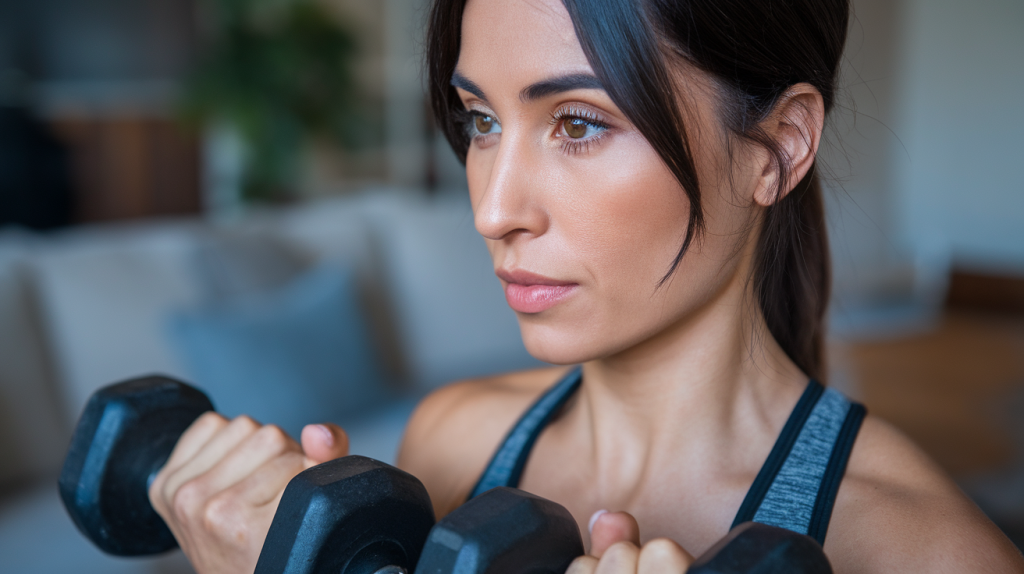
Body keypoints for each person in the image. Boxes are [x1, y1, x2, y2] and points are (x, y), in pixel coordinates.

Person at [148, 0, 1024, 572]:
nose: (493, 209)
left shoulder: (929, 552)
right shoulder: (452, 440)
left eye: (576, 123)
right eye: (481, 120)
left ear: (779, 148)